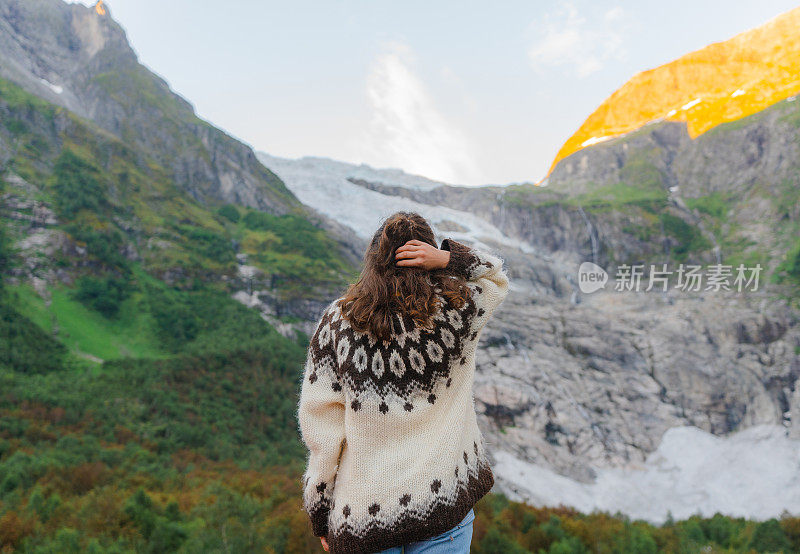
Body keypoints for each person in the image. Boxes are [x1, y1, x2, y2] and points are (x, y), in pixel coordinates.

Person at [297, 211, 509, 553]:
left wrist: (321, 513)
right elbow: (495, 278)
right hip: (444, 505)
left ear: (375, 260)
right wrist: (448, 258)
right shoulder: (457, 311)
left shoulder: (338, 323)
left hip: (364, 517)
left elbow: (322, 430)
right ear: (427, 261)